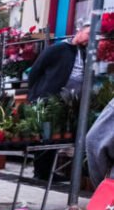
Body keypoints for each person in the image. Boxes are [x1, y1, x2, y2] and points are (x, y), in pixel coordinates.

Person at [27, 22, 91, 180]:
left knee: (57, 137)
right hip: (49, 100)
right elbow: (35, 71)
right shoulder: (57, 49)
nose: (90, 39)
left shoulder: (84, 53)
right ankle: (40, 173)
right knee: (46, 136)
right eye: (89, 34)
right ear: (79, 31)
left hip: (68, 102)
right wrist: (36, 94)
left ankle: (48, 172)